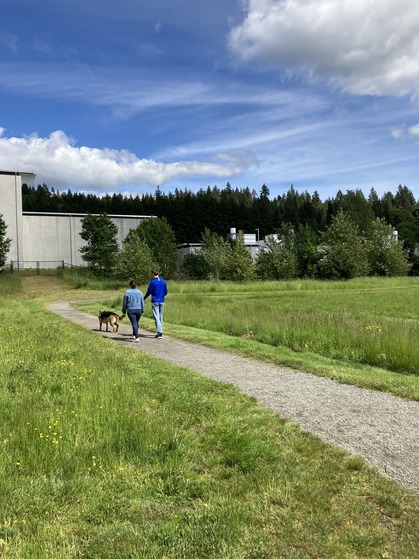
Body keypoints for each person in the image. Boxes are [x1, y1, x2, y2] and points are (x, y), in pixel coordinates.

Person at [144, 269, 168, 339]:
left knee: (156, 316)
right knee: (160, 316)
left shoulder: (153, 282)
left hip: (155, 301)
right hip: (162, 300)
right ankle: (160, 330)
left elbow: (149, 291)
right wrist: (162, 296)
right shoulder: (163, 281)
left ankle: (159, 332)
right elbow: (166, 291)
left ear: (153, 274)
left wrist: (144, 298)